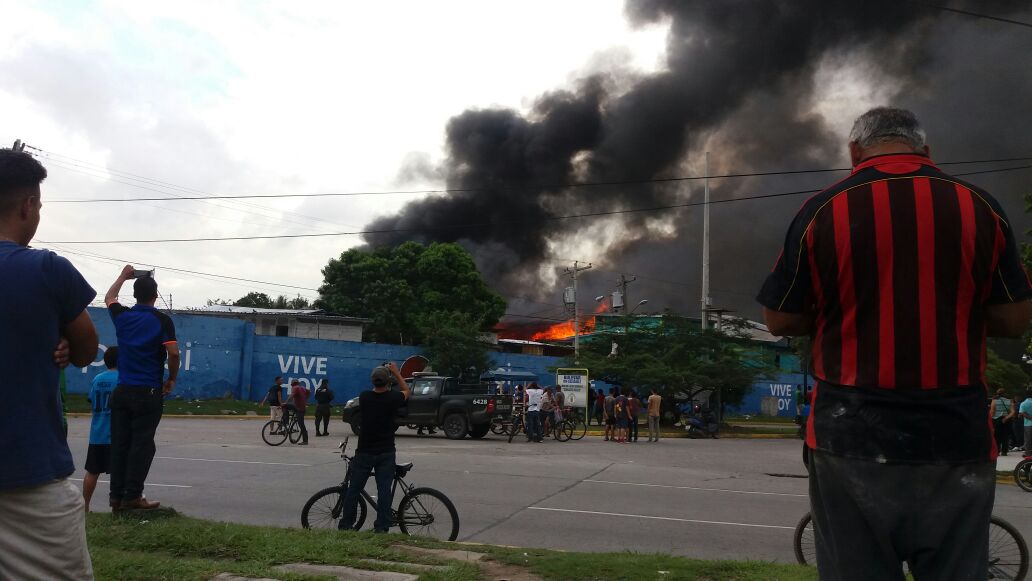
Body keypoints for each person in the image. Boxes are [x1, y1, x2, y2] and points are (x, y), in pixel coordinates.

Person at [758, 107, 1032, 580]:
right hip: (956, 436)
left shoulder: (824, 208)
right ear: (925, 150)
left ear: (854, 152)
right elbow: (1013, 318)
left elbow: (779, 318)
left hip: (849, 437)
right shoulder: (980, 206)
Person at [0, 149, 99, 580]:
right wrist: (58, 338)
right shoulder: (47, 270)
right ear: (28, 206)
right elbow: (85, 349)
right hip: (27, 480)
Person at [105, 265, 178, 511]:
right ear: (155, 295)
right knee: (143, 444)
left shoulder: (123, 316)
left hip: (122, 390)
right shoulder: (162, 320)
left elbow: (109, 298)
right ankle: (132, 496)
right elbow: (173, 352)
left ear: (135, 295)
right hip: (148, 392)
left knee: (120, 444)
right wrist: (172, 379)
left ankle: (116, 497)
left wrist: (122, 277)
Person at [339, 363, 410, 533]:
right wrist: (396, 372)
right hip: (386, 451)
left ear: (373, 381)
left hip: (365, 451)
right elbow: (407, 391)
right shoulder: (393, 398)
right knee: (384, 491)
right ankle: (382, 527)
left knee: (354, 489)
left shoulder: (364, 397)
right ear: (388, 382)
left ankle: (347, 526)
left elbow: (375, 392)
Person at [84, 347, 119, 512]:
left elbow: (91, 399)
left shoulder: (98, 379)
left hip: (97, 434)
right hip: (116, 435)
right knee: (118, 473)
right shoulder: (122, 379)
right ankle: (116, 507)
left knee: (92, 472)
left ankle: (85, 506)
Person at [283, 379, 309, 445]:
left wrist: (286, 402)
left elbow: (292, 395)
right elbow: (309, 392)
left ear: (292, 384)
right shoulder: (302, 387)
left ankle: (286, 423)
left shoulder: (295, 387)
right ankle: (288, 422)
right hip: (299, 407)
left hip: (299, 408)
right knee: (301, 423)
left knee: (301, 424)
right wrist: (305, 400)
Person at [990, 388, 1014, 456]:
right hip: (1006, 420)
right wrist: (1006, 417)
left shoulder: (994, 401)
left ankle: (997, 451)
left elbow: (992, 411)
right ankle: (1004, 451)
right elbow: (1013, 412)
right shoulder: (1009, 401)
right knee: (1005, 436)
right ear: (1004, 393)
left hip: (997, 420)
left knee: (996, 436)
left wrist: (991, 419)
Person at [1021, 388, 1032, 455]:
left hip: (1027, 424)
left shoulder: (1023, 403)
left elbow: (1023, 413)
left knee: (1028, 439)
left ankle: (1028, 454)